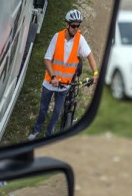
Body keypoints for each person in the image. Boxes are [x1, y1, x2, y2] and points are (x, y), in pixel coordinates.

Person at [28, 9, 99, 140]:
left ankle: (48, 134)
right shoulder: (57, 37)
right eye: (73, 26)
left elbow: (90, 56)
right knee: (43, 109)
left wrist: (95, 73)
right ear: (67, 25)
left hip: (65, 85)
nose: (76, 29)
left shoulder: (80, 39)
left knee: (57, 112)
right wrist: (54, 76)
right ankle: (36, 130)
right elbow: (47, 59)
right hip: (50, 82)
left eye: (78, 26)